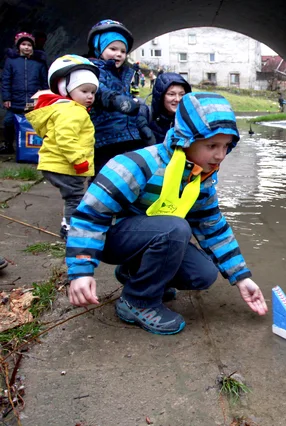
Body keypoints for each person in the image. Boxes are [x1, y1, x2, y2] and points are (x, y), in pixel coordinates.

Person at [65, 92, 268, 335]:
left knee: (203, 275)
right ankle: (137, 301)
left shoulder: (200, 176)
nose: (220, 155)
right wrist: (81, 271)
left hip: (151, 238)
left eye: (226, 146)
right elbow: (90, 216)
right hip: (112, 239)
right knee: (175, 228)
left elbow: (211, 227)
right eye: (212, 145)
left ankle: (136, 273)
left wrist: (241, 277)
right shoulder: (137, 165)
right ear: (185, 140)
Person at [26, 55, 99, 239]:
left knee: (72, 197)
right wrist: (79, 161)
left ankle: (68, 224)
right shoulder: (72, 111)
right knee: (75, 197)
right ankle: (72, 231)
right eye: (84, 91)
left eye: (93, 92)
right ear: (64, 88)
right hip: (66, 165)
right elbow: (66, 138)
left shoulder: (65, 109)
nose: (90, 96)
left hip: (56, 164)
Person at [86, 19, 154, 174]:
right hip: (105, 140)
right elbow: (98, 90)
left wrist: (142, 122)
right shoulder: (91, 71)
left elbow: (133, 100)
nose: (119, 54)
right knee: (104, 183)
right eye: (113, 48)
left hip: (129, 138)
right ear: (98, 47)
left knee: (133, 181)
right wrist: (115, 100)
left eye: (123, 51)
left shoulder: (125, 75)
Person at [1, 32, 48, 154]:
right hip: (16, 100)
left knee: (38, 124)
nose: (26, 47)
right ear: (18, 46)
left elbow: (44, 82)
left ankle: (37, 148)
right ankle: (8, 145)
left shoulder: (39, 63)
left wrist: (45, 98)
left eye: (29, 45)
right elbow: (6, 80)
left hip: (34, 102)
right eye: (23, 44)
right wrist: (6, 98)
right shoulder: (11, 62)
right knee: (8, 122)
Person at [143, 72, 191, 144]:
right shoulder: (146, 117)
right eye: (171, 94)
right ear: (160, 96)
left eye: (182, 94)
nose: (178, 99)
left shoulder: (190, 120)